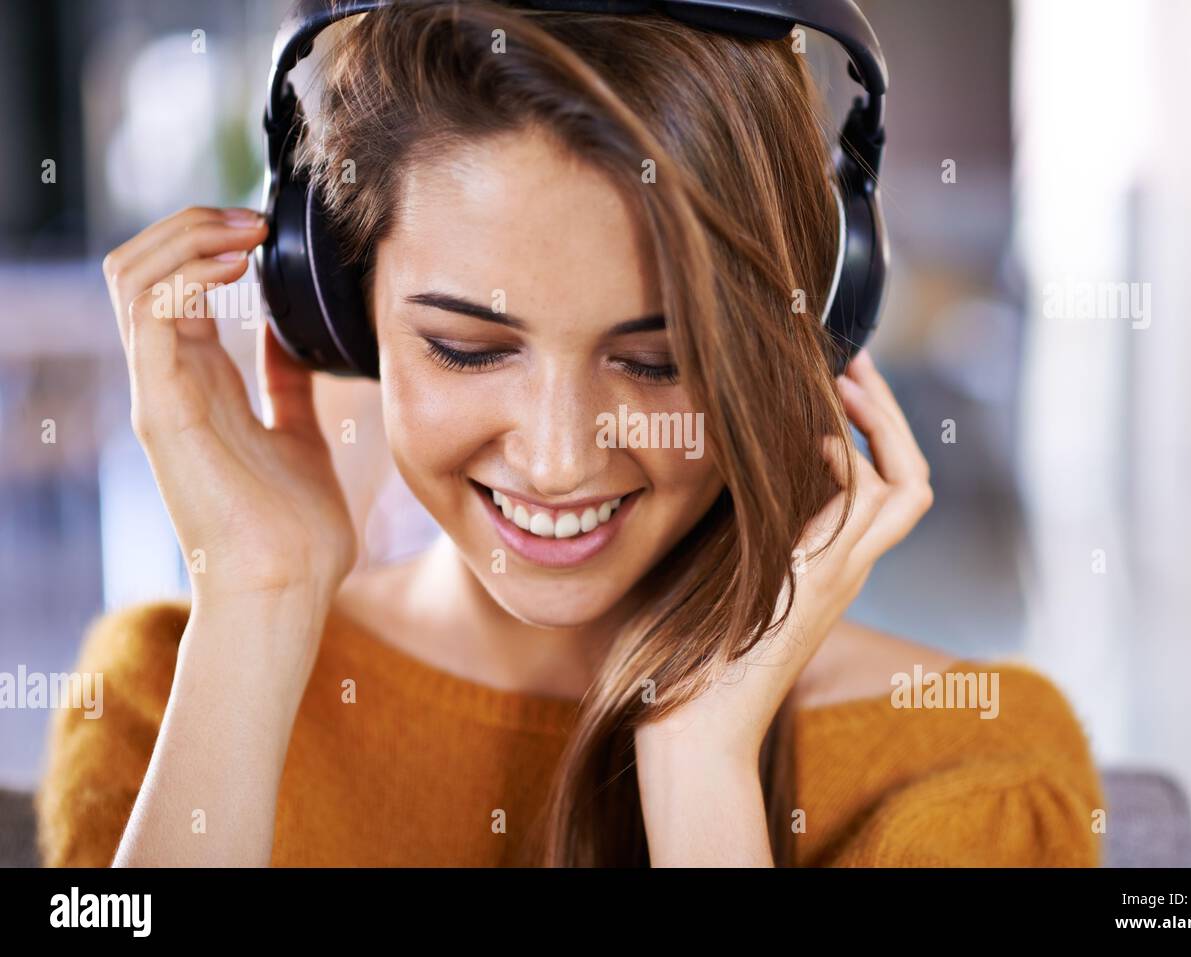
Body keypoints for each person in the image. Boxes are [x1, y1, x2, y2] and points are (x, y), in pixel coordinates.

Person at [36, 1, 1103, 867]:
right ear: (336, 306)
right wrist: (257, 607)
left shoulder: (969, 770)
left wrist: (699, 768)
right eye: (466, 347)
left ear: (804, 328)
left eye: (658, 360)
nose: (556, 458)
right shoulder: (168, 700)